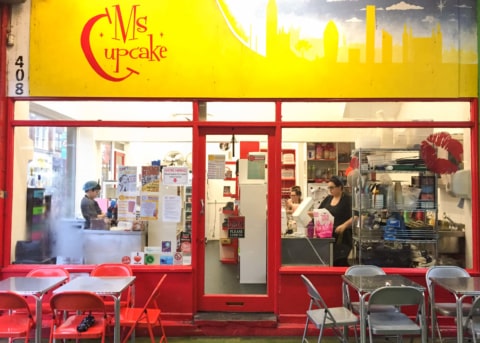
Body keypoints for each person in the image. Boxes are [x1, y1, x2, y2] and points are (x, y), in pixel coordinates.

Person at [318, 176, 353, 266]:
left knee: (339, 262)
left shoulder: (348, 200)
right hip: (327, 236)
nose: (330, 190)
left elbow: (356, 216)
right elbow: (319, 211)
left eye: (332, 187)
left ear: (340, 187)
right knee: (329, 261)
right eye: (329, 187)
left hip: (343, 237)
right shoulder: (328, 199)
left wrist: (344, 225)